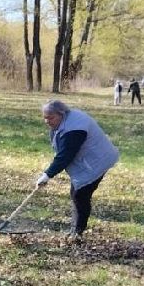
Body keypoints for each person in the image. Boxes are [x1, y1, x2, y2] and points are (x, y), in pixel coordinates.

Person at [36, 99, 119, 242]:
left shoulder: (74, 130)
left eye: (50, 118)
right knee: (77, 193)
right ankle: (75, 230)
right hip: (89, 160)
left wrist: (47, 175)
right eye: (45, 117)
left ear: (61, 114)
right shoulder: (66, 120)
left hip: (97, 161)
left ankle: (77, 233)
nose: (47, 121)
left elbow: (66, 155)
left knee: (80, 194)